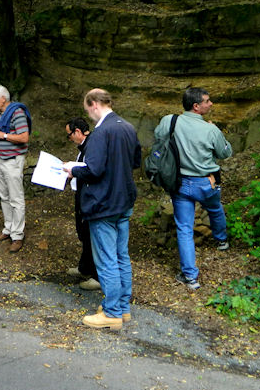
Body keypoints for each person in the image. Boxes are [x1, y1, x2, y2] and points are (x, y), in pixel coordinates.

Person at [66, 89, 141, 330]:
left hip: (104, 204)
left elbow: (94, 169)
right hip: (124, 201)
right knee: (121, 256)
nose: (88, 114)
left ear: (94, 104)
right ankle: (123, 307)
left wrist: (72, 169)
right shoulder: (128, 127)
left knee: (107, 259)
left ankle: (112, 312)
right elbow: (136, 162)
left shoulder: (101, 132)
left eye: (87, 109)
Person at [154, 87, 233, 290]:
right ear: (196, 106)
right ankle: (222, 241)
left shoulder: (169, 121)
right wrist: (217, 132)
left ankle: (190, 277)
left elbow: (159, 137)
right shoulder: (210, 129)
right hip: (206, 183)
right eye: (207, 101)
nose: (211, 103)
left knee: (184, 228)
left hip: (180, 184)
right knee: (215, 208)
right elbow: (225, 153)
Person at [0, 85, 30, 253]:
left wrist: (3, 135)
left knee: (16, 199)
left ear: (3, 99)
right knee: (4, 196)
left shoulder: (17, 113)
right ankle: (8, 228)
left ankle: (17, 235)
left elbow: (24, 137)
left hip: (13, 161)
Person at [65, 117, 100, 291]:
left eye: (69, 135)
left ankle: (97, 275)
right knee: (84, 233)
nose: (70, 139)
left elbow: (92, 171)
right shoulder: (86, 146)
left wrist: (74, 170)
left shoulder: (92, 146)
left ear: (77, 132)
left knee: (92, 235)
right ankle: (85, 268)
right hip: (83, 194)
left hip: (91, 197)